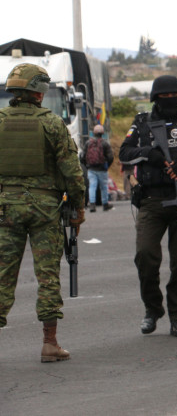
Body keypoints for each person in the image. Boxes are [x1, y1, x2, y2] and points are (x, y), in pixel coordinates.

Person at [0, 63, 85, 362]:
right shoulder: (51, 123)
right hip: (45, 210)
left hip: (5, 209)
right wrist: (79, 207)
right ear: (38, 93)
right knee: (48, 276)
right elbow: (72, 172)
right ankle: (50, 343)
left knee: (1, 276)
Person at [119, 75, 177, 336]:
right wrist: (150, 153)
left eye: (173, 96)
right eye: (164, 96)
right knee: (145, 257)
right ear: (155, 98)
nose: (169, 100)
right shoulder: (142, 121)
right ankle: (152, 309)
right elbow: (124, 152)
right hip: (151, 200)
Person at [81, 124, 115, 212]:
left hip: (91, 169)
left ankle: (92, 204)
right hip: (102, 169)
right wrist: (107, 165)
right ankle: (105, 204)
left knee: (92, 186)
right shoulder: (105, 143)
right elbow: (110, 157)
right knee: (104, 187)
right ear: (102, 133)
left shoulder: (88, 143)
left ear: (94, 133)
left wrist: (87, 165)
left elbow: (82, 156)